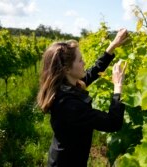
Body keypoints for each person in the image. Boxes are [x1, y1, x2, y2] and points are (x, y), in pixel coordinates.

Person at [37, 28, 128, 167]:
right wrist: (118, 87)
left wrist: (113, 45)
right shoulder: (69, 105)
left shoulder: (65, 85)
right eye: (80, 60)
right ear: (66, 69)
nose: (84, 63)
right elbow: (113, 122)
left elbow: (92, 73)